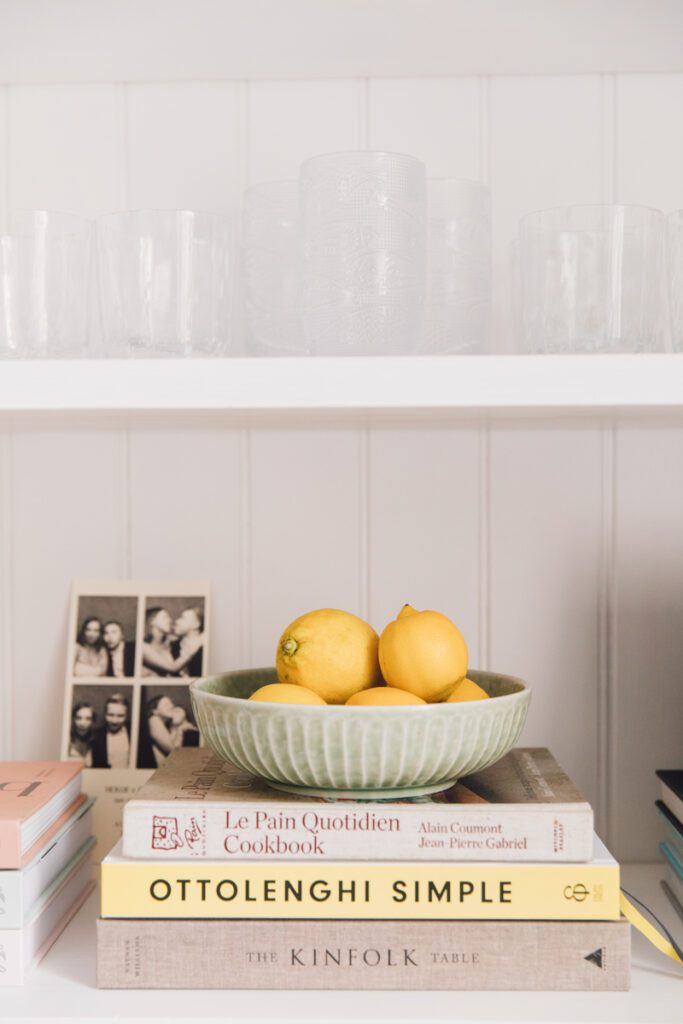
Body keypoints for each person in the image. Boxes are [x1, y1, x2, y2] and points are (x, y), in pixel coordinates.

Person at [137, 694, 199, 769]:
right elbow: (173, 753)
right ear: (155, 710)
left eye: (171, 703)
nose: (172, 706)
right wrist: (181, 729)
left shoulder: (164, 726)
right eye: (166, 704)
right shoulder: (154, 719)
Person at [141, 606, 203, 677]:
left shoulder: (171, 645)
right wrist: (199, 642)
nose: (170, 620)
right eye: (165, 617)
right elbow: (172, 668)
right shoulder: (143, 647)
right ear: (152, 621)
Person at [91, 692, 131, 769]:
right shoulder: (96, 736)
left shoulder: (135, 734)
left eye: (120, 716)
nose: (114, 721)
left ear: (127, 716)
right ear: (105, 714)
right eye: (110, 715)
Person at [171, 605, 205, 677]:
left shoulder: (205, 649)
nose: (177, 621)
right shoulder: (173, 646)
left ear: (196, 624)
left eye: (182, 618)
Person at [68, 701, 95, 765]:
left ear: (93, 721)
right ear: (73, 719)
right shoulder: (66, 740)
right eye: (78, 718)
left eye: (88, 719)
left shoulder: (96, 742)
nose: (82, 723)